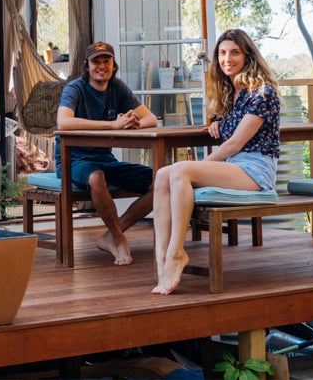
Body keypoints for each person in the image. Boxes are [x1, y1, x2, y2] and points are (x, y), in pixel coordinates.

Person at [151, 29, 280, 294]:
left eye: (234, 52)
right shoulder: (233, 94)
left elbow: (234, 144)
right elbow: (230, 131)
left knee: (180, 171)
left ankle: (177, 253)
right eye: (222, 53)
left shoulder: (262, 93)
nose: (227, 59)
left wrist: (205, 164)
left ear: (248, 56)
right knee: (163, 174)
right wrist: (218, 122)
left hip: (255, 169)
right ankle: (161, 258)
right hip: (234, 165)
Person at [56, 41, 157, 265]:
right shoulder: (75, 88)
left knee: (162, 180)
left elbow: (151, 119)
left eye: (106, 61)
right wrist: (112, 125)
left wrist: (135, 123)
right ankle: (119, 239)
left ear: (113, 64)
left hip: (104, 160)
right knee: (96, 177)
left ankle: (112, 234)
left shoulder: (117, 87)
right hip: (73, 159)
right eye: (96, 62)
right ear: (86, 66)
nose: (101, 66)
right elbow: (63, 123)